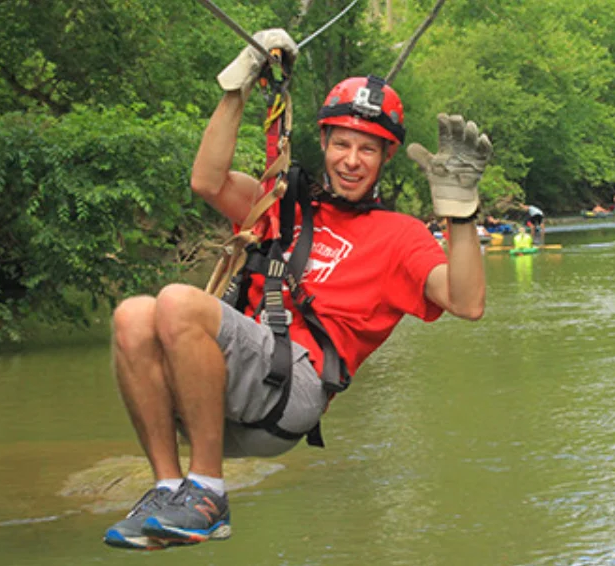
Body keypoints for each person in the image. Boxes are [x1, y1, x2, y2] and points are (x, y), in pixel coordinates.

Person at [103, 29, 491, 551]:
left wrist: (459, 213)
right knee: (130, 315)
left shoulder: (401, 236)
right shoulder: (287, 206)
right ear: (324, 144)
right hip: (228, 388)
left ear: (385, 159)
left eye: (368, 150)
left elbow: (466, 302)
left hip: (295, 390)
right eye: (342, 144)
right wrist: (236, 90)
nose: (352, 160)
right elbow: (207, 181)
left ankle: (208, 494)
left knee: (176, 301)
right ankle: (170, 489)